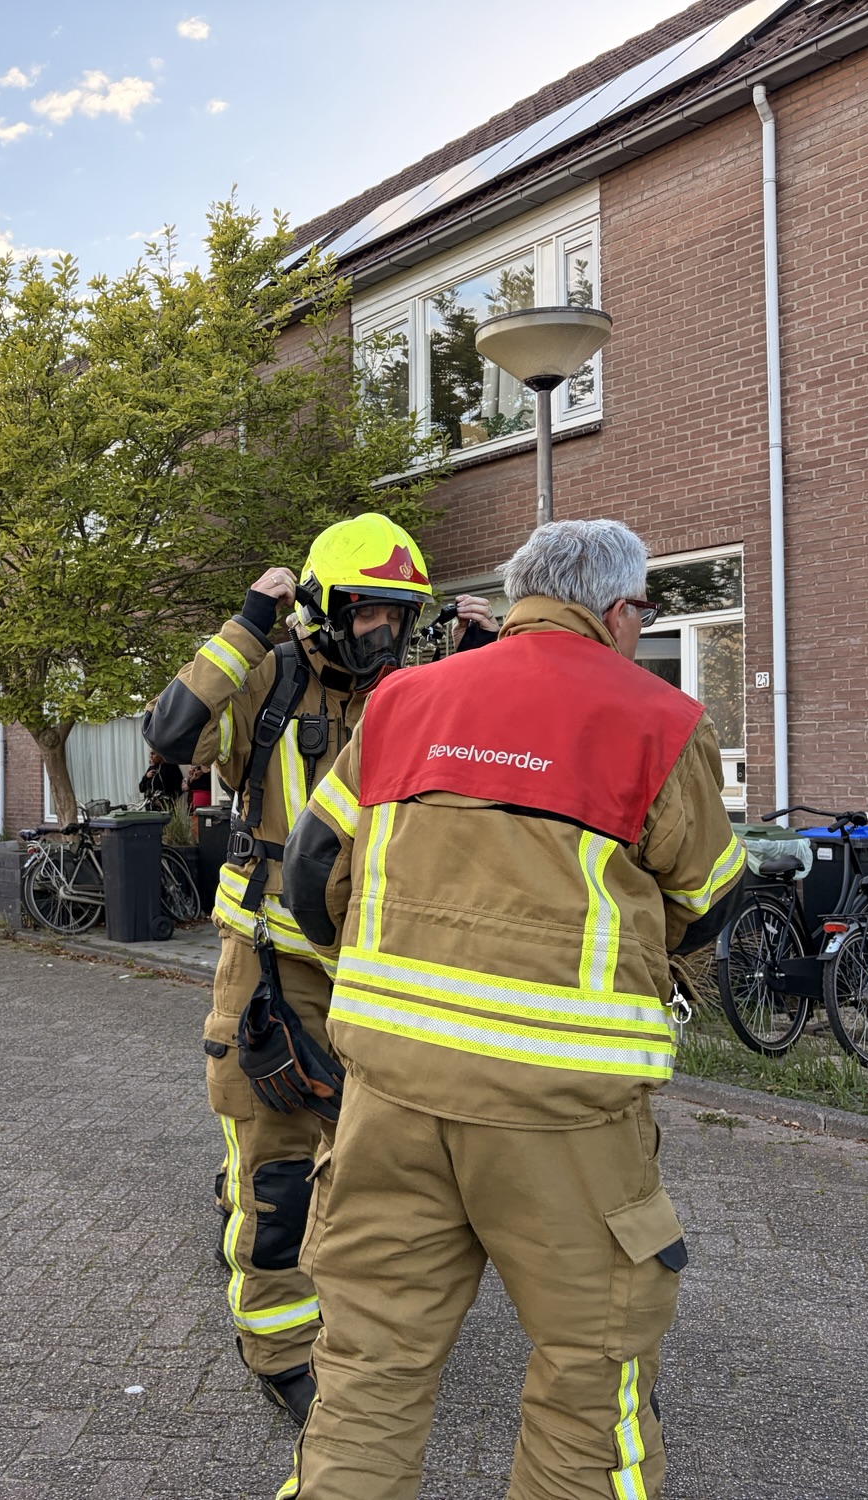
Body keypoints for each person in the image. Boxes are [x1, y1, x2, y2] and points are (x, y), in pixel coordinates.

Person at [276, 519, 747, 1500]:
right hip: (564, 1115)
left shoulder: (404, 700)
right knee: (589, 1382)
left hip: (388, 1097)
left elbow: (312, 871)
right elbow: (710, 903)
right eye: (643, 612)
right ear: (617, 612)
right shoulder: (657, 721)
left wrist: (375, 977)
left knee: (368, 1369)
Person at [142, 511, 496, 1425]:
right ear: (327, 607)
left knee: (366, 1157)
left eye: (401, 618)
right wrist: (246, 623)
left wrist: (483, 661)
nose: (386, 636)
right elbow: (172, 732)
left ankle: (327, 1292)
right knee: (278, 1176)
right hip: (270, 967)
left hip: (370, 963)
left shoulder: (412, 687)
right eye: (370, 614)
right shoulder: (267, 671)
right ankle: (280, 1348)